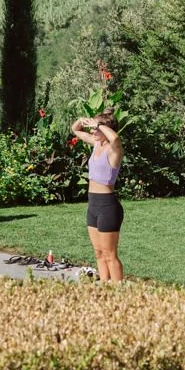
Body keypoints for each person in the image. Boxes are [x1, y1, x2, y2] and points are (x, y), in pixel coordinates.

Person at [71, 113, 124, 281]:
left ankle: (119, 292)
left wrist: (98, 125)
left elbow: (115, 137)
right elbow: (76, 130)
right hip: (92, 205)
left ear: (105, 129)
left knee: (110, 254)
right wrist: (83, 121)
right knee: (99, 253)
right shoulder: (96, 143)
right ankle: (105, 287)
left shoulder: (113, 149)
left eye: (96, 128)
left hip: (107, 207)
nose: (93, 131)